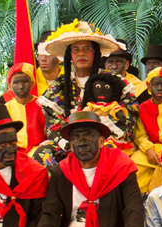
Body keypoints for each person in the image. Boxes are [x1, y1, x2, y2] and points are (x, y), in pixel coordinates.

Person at [40, 22, 137, 165]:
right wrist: (71, 142)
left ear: (95, 53)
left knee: (110, 156)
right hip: (70, 143)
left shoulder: (115, 81)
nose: (81, 53)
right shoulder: (59, 85)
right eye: (76, 49)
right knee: (43, 154)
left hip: (106, 140)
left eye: (87, 49)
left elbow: (130, 114)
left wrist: (98, 139)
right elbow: (51, 122)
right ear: (69, 55)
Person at [2, 63, 47, 155]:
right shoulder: (5, 109)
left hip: (39, 152)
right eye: (16, 83)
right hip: (13, 154)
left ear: (31, 83)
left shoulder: (43, 105)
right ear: (10, 86)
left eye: (25, 82)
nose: (21, 86)